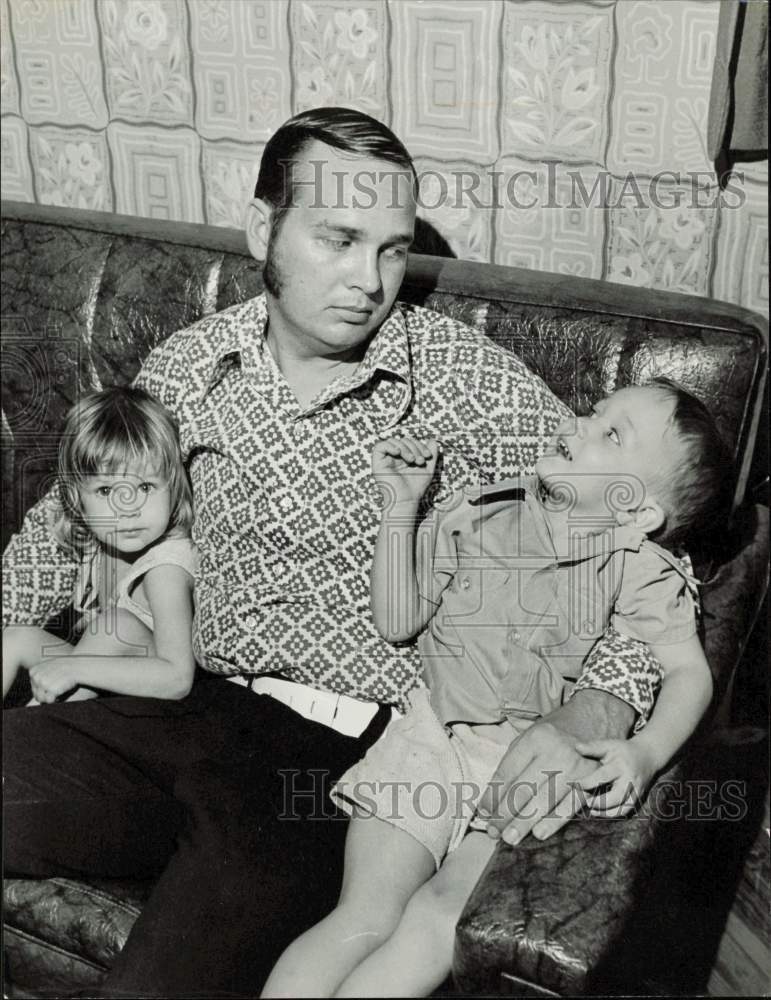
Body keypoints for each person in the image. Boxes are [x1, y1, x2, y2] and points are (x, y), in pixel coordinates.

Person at [3, 108, 666, 997]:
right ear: (261, 230)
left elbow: (647, 548)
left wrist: (593, 713)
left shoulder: (462, 380)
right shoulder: (189, 365)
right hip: (171, 701)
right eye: (339, 239)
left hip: (325, 762)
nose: (369, 280)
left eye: (392, 249)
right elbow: (63, 526)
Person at [262, 378, 727, 998]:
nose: (579, 423)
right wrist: (401, 507)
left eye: (612, 435)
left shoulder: (638, 565)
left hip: (520, 772)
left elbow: (689, 673)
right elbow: (398, 620)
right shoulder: (481, 510)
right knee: (363, 918)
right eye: (594, 412)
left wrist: (645, 754)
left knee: (436, 917)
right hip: (429, 740)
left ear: (638, 512)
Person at [2, 386, 197, 705]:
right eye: (106, 491)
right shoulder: (98, 549)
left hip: (158, 700)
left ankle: (33, 728)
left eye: (145, 486)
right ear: (78, 500)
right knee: (15, 637)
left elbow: (177, 679)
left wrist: (73, 666)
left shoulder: (165, 568)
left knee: (112, 626)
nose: (128, 507)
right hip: (105, 681)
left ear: (173, 489)